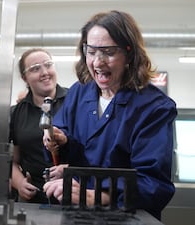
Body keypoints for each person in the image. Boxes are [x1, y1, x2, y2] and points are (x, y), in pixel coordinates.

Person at [42, 10, 177, 220]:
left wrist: (98, 195)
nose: (98, 62)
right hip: (75, 215)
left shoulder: (154, 108)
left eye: (109, 52)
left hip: (127, 217)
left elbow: (153, 185)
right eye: (92, 51)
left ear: (129, 53)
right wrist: (61, 142)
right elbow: (69, 155)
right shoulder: (80, 92)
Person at [10, 48, 68, 204]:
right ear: (25, 78)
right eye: (35, 69)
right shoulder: (16, 113)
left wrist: (70, 170)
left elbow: (94, 153)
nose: (45, 72)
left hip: (73, 193)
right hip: (35, 198)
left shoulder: (75, 102)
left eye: (48, 65)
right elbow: (13, 160)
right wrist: (20, 183)